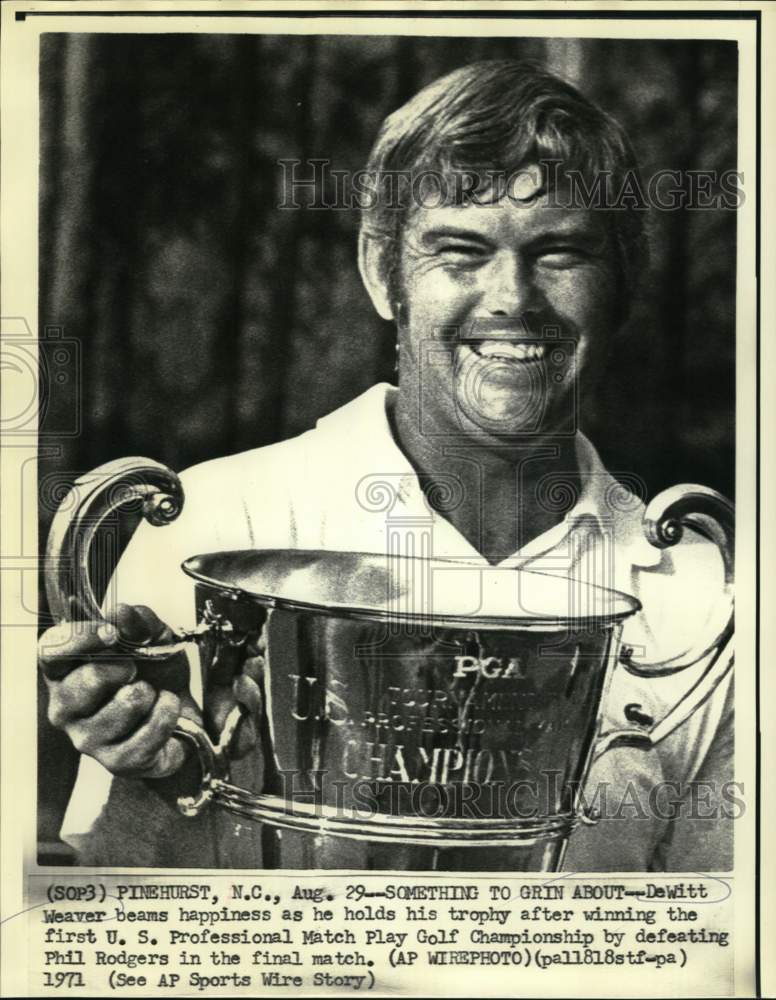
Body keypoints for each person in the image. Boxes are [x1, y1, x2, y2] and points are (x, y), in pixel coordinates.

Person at [39, 60, 734, 870]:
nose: (514, 297)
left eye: (561, 252)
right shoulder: (214, 526)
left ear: (623, 285)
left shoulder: (706, 590)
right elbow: (123, 914)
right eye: (459, 251)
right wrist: (156, 780)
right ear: (382, 272)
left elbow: (718, 949)